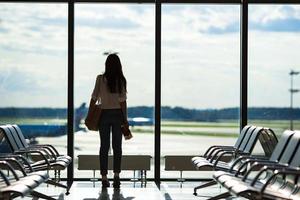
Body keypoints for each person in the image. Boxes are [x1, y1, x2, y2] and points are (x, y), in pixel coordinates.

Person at [89, 54, 128, 188]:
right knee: (117, 147)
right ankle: (116, 176)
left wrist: (90, 114)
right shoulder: (121, 80)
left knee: (104, 147)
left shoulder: (100, 79)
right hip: (117, 115)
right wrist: (125, 119)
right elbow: (123, 102)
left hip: (103, 115)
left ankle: (104, 177)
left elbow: (94, 97)